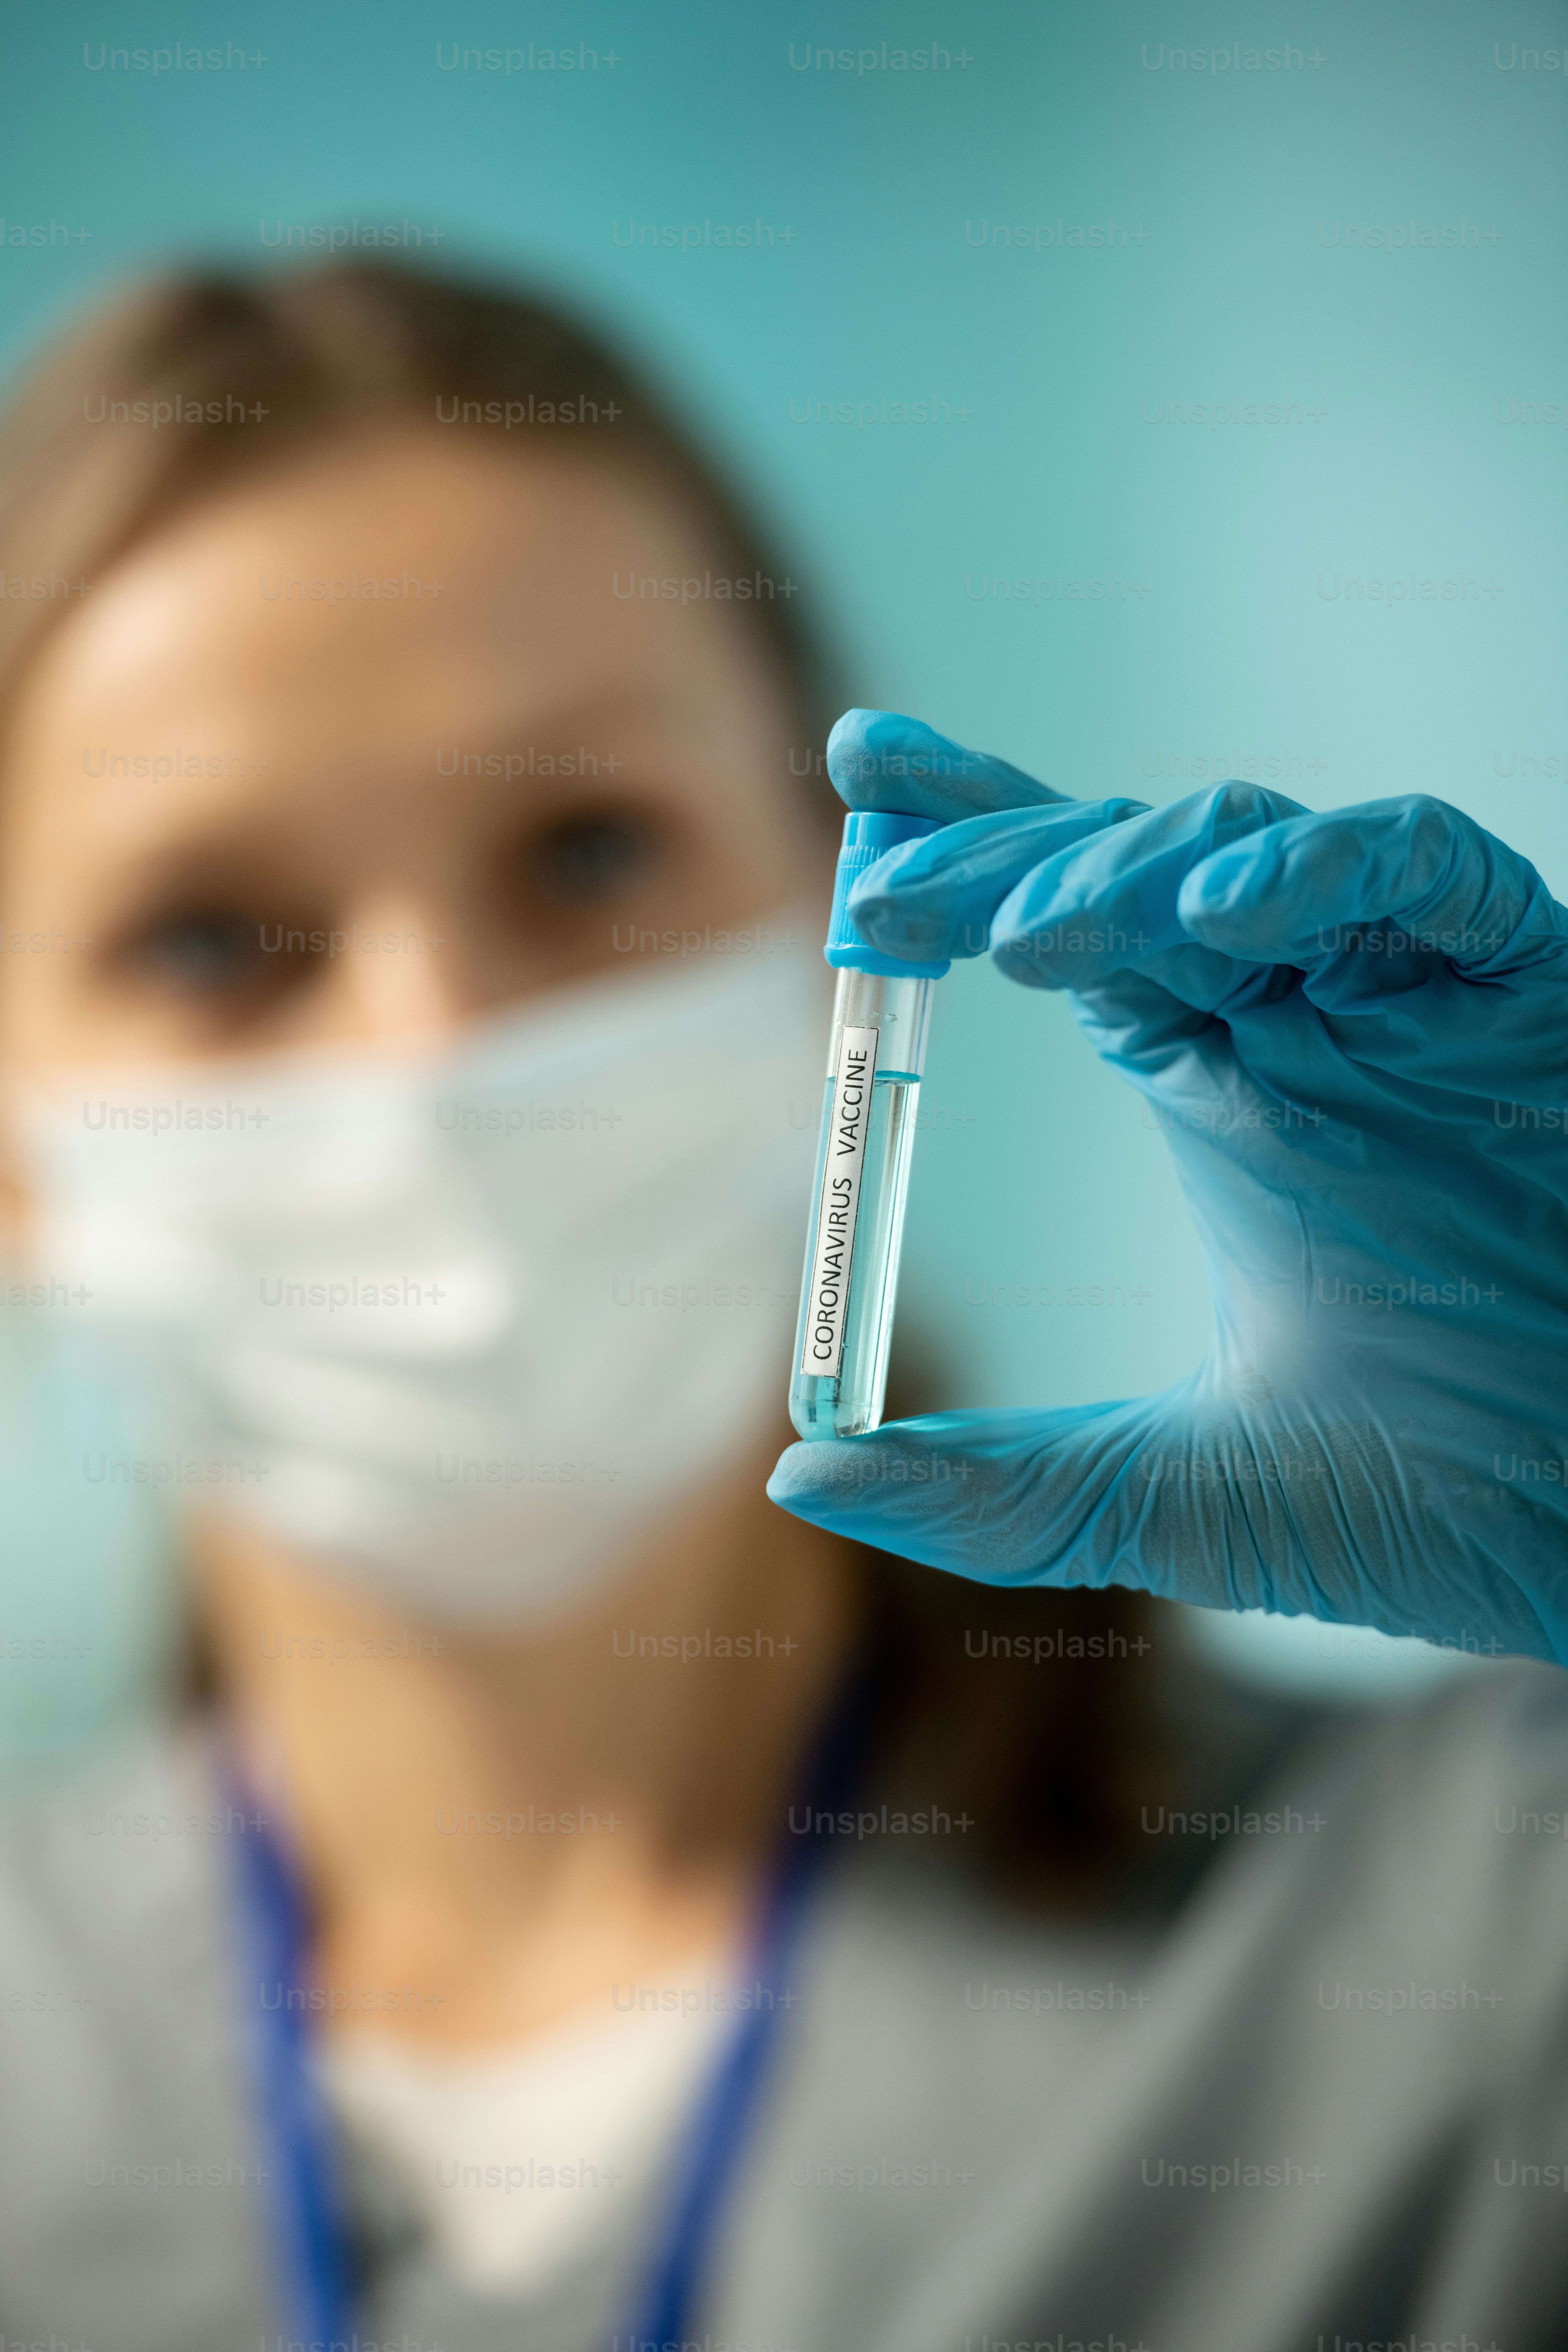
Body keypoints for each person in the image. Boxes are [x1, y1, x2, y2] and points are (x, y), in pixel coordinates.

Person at [0, 258, 1563, 2352]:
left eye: (581, 852)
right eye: (209, 939)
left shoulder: (1482, 1940)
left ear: (848, 923)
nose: (431, 1051)